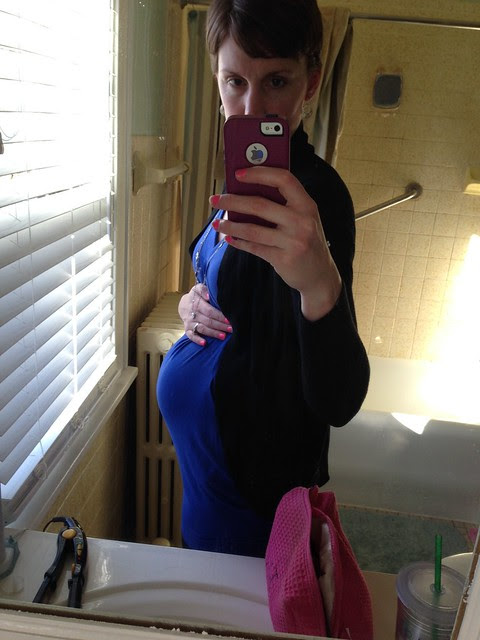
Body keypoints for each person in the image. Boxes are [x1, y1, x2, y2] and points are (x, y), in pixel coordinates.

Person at [157, 0, 370, 557]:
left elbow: (339, 401)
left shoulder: (316, 200)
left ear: (311, 82)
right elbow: (226, 284)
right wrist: (188, 304)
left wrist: (319, 286)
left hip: (254, 504)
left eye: (276, 81)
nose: (252, 108)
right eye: (235, 82)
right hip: (208, 486)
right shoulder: (244, 175)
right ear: (217, 80)